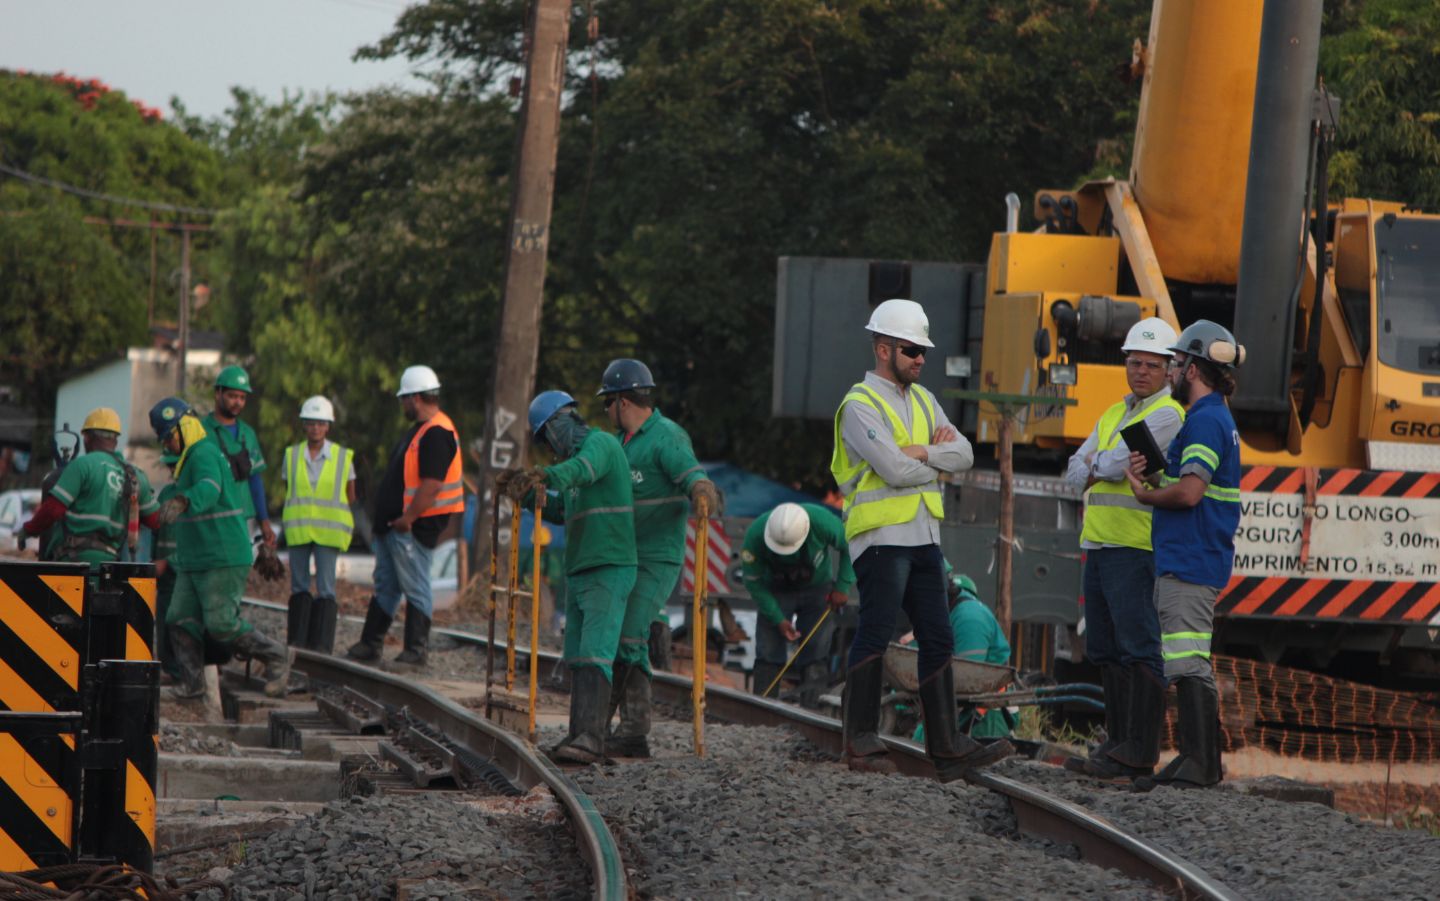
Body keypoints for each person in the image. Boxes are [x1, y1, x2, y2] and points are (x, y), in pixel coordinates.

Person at [830, 297, 1010, 781]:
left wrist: (921, 453)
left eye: (923, 352)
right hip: (883, 537)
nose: (921, 360)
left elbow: (967, 454)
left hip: (924, 537)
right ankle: (860, 739)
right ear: (884, 349)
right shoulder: (859, 406)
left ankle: (946, 746)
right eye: (912, 351)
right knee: (876, 630)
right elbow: (891, 467)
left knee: (938, 635)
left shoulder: (925, 400)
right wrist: (933, 460)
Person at [1060, 317, 1184, 779]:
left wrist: (1099, 464)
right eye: (1135, 362)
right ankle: (1117, 743)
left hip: (1135, 545)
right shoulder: (1115, 413)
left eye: (1152, 365)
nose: (1142, 371)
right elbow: (1075, 470)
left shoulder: (1170, 412)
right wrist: (1100, 464)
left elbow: (1107, 464)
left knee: (1139, 646)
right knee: (1105, 648)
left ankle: (1139, 749)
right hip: (1100, 542)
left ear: (1170, 369)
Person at [1124, 320, 1245, 790]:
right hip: (1191, 556)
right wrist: (1156, 479)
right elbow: (1187, 484)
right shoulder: (1212, 418)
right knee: (1185, 658)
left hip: (1192, 559)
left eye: (1175, 363)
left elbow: (1191, 493)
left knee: (1189, 661)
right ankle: (1198, 760)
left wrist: (1146, 497)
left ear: (1193, 367)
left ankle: (1201, 762)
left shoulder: (1206, 421)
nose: (1171, 371)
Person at [596, 359, 722, 757]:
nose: (605, 412)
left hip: (656, 559)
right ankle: (621, 730)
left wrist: (702, 491)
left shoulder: (666, 437)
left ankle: (621, 731)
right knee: (619, 639)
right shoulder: (622, 443)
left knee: (630, 636)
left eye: (606, 403)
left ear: (621, 400)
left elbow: (692, 476)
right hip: (625, 558)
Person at [505, 390, 636, 764]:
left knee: (595, 652)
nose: (549, 447)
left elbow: (582, 471)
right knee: (579, 655)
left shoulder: (600, 446)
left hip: (608, 566)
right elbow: (561, 508)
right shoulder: (576, 463)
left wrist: (545, 475)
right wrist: (527, 495)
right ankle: (579, 735)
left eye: (547, 437)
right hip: (581, 569)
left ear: (561, 423)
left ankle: (592, 739)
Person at [148, 397, 291, 699]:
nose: (168, 446)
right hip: (195, 560)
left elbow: (209, 488)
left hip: (222, 555)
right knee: (178, 618)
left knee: (221, 623)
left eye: (169, 438)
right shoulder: (186, 464)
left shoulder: (203, 454)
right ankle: (192, 685)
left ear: (184, 428)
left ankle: (277, 656)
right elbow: (164, 507)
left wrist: (185, 501)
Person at [346, 366, 462, 669]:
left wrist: (408, 518)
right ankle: (370, 644)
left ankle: (416, 650)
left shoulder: (437, 432)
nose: (402, 405)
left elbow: (432, 485)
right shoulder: (422, 429)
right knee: (386, 584)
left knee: (415, 584)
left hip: (411, 527)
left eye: (403, 399)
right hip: (395, 526)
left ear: (415, 398)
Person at [740, 501, 852, 708]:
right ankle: (762, 709)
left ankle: (812, 711)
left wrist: (842, 587)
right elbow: (753, 583)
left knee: (815, 650)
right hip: (775, 590)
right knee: (769, 650)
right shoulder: (755, 536)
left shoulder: (823, 522)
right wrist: (778, 619)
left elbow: (851, 544)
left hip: (818, 590)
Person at [19, 407, 163, 565]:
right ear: (115, 440)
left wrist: (28, 530)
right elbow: (156, 521)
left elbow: (53, 510)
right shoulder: (136, 476)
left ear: (87, 438)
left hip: (73, 561)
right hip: (110, 567)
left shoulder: (81, 466)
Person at [281, 395, 356, 654]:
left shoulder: (343, 457)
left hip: (328, 532)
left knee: (326, 588)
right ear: (304, 425)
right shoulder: (291, 456)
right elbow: (288, 487)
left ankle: (321, 647)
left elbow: (351, 493)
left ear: (328, 426)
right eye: (311, 423)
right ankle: (297, 643)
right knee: (299, 586)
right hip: (300, 529)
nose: (316, 428)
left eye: (320, 423)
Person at [907, 572, 1014, 740]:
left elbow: (966, 680)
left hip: (984, 717)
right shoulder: (950, 612)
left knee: (924, 742)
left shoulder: (969, 621)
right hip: (967, 706)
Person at [202, 365, 276, 548]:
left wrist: (264, 521)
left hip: (242, 519)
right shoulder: (202, 431)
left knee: (239, 571)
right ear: (217, 393)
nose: (238, 402)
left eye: (242, 398)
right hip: (210, 520)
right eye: (232, 396)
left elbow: (255, 480)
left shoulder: (247, 434)